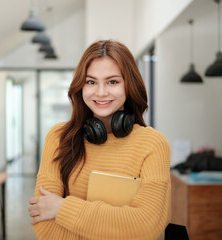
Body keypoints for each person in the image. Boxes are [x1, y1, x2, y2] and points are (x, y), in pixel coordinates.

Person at [28, 40, 171, 240]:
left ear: (129, 85)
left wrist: (62, 208)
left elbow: (146, 226)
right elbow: (44, 227)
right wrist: (118, 227)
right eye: (91, 82)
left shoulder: (152, 144)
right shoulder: (59, 137)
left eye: (112, 81)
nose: (101, 92)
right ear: (81, 87)